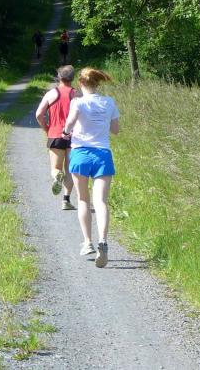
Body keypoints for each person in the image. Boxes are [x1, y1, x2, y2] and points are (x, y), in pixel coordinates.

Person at [61, 68, 120, 268]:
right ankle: (103, 240)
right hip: (102, 155)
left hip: (81, 154)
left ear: (80, 83)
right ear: (98, 83)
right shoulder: (109, 102)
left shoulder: (78, 102)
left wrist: (65, 131)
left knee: (83, 199)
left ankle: (88, 242)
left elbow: (69, 125)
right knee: (101, 201)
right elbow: (115, 130)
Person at [35, 65, 77, 210]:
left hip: (55, 135)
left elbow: (39, 115)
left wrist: (47, 129)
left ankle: (57, 176)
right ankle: (66, 200)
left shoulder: (51, 94)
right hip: (74, 137)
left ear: (59, 77)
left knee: (56, 168)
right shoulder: (77, 95)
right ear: (72, 78)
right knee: (70, 170)